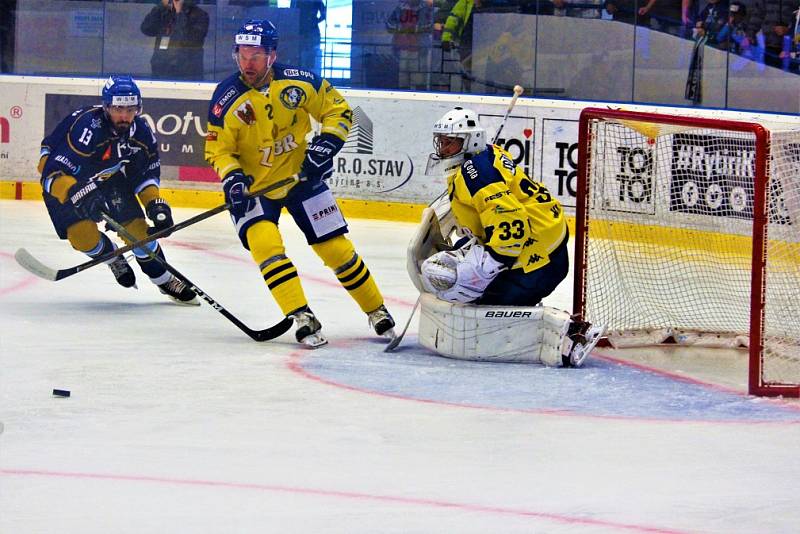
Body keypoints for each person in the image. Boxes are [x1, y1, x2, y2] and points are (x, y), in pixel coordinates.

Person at [204, 19, 396, 348]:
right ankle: (301, 315)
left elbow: (338, 110)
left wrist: (326, 144)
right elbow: (218, 150)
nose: (247, 63)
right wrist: (232, 178)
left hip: (301, 177)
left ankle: (376, 309)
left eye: (256, 55)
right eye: (242, 55)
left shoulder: (299, 82)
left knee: (335, 248)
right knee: (265, 246)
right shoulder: (226, 99)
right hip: (255, 188)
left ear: (272, 56)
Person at [412, 107, 604, 367]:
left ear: (470, 142)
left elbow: (510, 219)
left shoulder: (478, 175)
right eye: (442, 141)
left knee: (483, 301)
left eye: (451, 143)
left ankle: (571, 333)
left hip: (539, 257)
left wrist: (491, 265)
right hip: (542, 238)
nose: (444, 148)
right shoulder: (482, 157)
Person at [38, 75, 199, 305]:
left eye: (130, 109)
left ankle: (165, 280)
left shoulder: (141, 132)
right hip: (66, 185)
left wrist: (155, 204)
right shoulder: (88, 129)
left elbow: (144, 175)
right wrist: (77, 192)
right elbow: (49, 173)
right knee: (83, 238)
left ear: (138, 108)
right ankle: (111, 256)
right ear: (106, 107)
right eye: (118, 109)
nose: (124, 116)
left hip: (107, 179)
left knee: (139, 233)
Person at [140, 0, 209, 80]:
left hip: (187, 74)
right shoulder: (164, 12)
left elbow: (190, 40)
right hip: (161, 71)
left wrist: (179, 13)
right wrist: (161, 6)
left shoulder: (200, 15)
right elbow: (146, 29)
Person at [291, 0, 326, 73]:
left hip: (305, 30)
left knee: (308, 53)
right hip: (304, 30)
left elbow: (292, 13)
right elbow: (292, 13)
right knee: (304, 53)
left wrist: (313, 22)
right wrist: (314, 21)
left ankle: (305, 73)